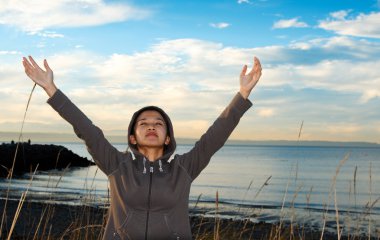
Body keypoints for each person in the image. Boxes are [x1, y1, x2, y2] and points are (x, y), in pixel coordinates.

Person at [22, 55, 262, 240]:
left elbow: (214, 137)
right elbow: (86, 129)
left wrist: (242, 94)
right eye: (143, 123)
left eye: (159, 124)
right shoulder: (117, 165)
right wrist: (51, 90)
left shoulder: (184, 169)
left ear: (168, 138)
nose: (151, 127)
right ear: (133, 137)